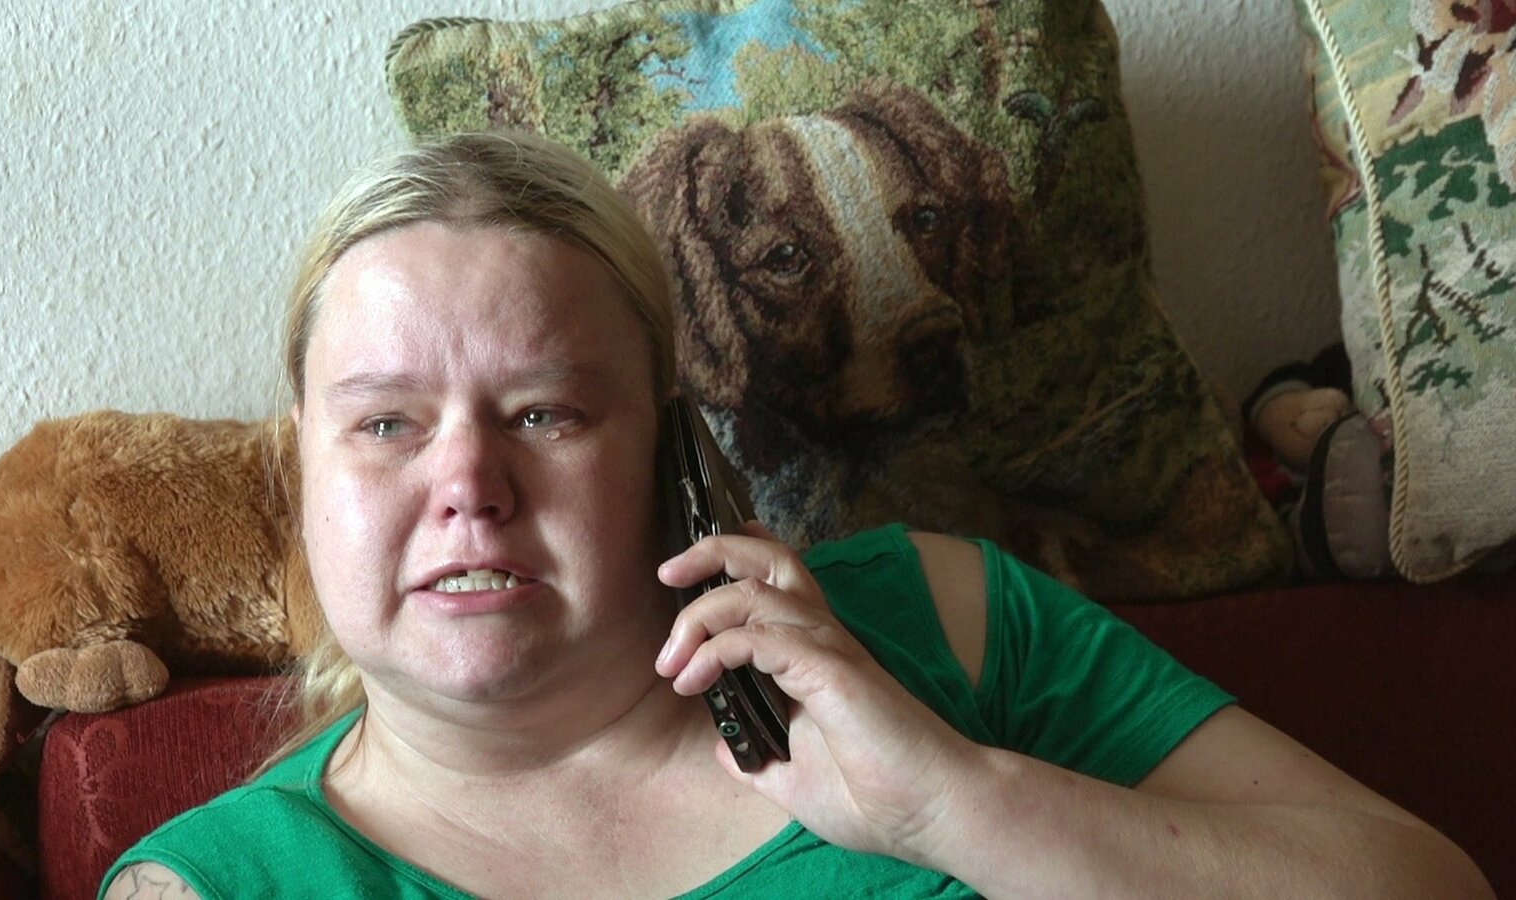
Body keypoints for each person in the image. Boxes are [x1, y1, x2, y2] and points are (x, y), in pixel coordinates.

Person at [100, 131, 1491, 899]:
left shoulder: (945, 618)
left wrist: (957, 804)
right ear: (303, 475)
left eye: (547, 412)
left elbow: (1430, 889)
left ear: (672, 455)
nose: (469, 483)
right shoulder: (214, 890)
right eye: (386, 424)